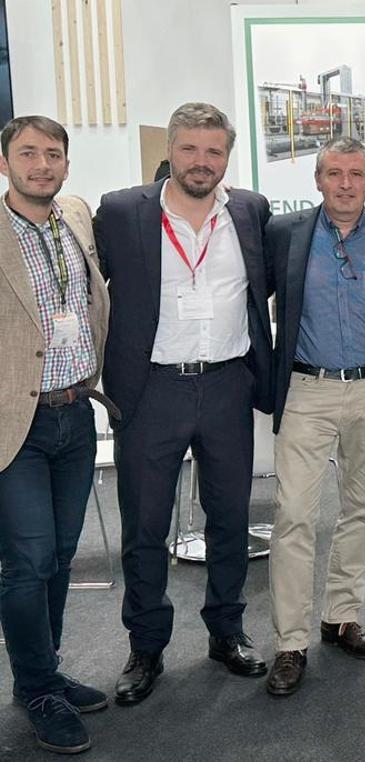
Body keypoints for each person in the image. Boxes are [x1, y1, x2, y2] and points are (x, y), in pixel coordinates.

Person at [93, 102, 274, 705]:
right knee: (144, 528)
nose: (203, 162)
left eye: (214, 151)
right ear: (170, 150)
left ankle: (226, 630)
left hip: (226, 384)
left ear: (228, 156)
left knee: (230, 520)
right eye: (191, 149)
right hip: (152, 390)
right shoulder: (121, 212)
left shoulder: (248, 210)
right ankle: (146, 645)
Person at [261, 137, 365, 696]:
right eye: (334, 173)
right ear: (318, 180)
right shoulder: (284, 235)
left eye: (355, 173)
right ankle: (291, 642)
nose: (345, 184)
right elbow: (257, 305)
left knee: (362, 511)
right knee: (294, 515)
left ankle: (341, 616)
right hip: (306, 389)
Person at [0, 116, 111, 754]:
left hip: (77, 412)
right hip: (17, 422)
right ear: (7, 163)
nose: (41, 164)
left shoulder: (74, 216)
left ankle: (45, 669)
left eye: (53, 154)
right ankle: (37, 688)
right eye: (28, 154)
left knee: (61, 558)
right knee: (29, 562)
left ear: (66, 164)